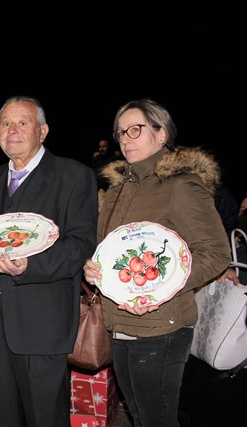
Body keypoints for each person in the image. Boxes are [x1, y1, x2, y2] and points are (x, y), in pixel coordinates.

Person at [82, 98, 231, 427]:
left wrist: (161, 290)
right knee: (137, 415)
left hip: (162, 325)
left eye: (136, 129)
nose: (126, 139)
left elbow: (216, 252)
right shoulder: (117, 190)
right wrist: (93, 268)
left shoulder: (181, 184)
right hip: (119, 322)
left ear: (161, 134)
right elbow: (106, 251)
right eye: (121, 132)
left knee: (157, 420)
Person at [0, 95, 98, 427]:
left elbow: (80, 245)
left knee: (44, 418)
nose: (12, 130)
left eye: (22, 122)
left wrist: (30, 266)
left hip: (41, 324)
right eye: (5, 123)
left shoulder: (73, 176)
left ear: (43, 130)